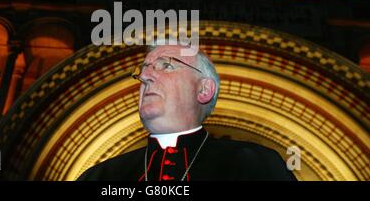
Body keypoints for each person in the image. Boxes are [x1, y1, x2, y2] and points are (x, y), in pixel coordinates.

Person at [78, 43, 297, 181]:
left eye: (166, 65)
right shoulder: (99, 176)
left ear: (203, 90)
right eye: (143, 69)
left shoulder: (255, 164)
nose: (145, 76)